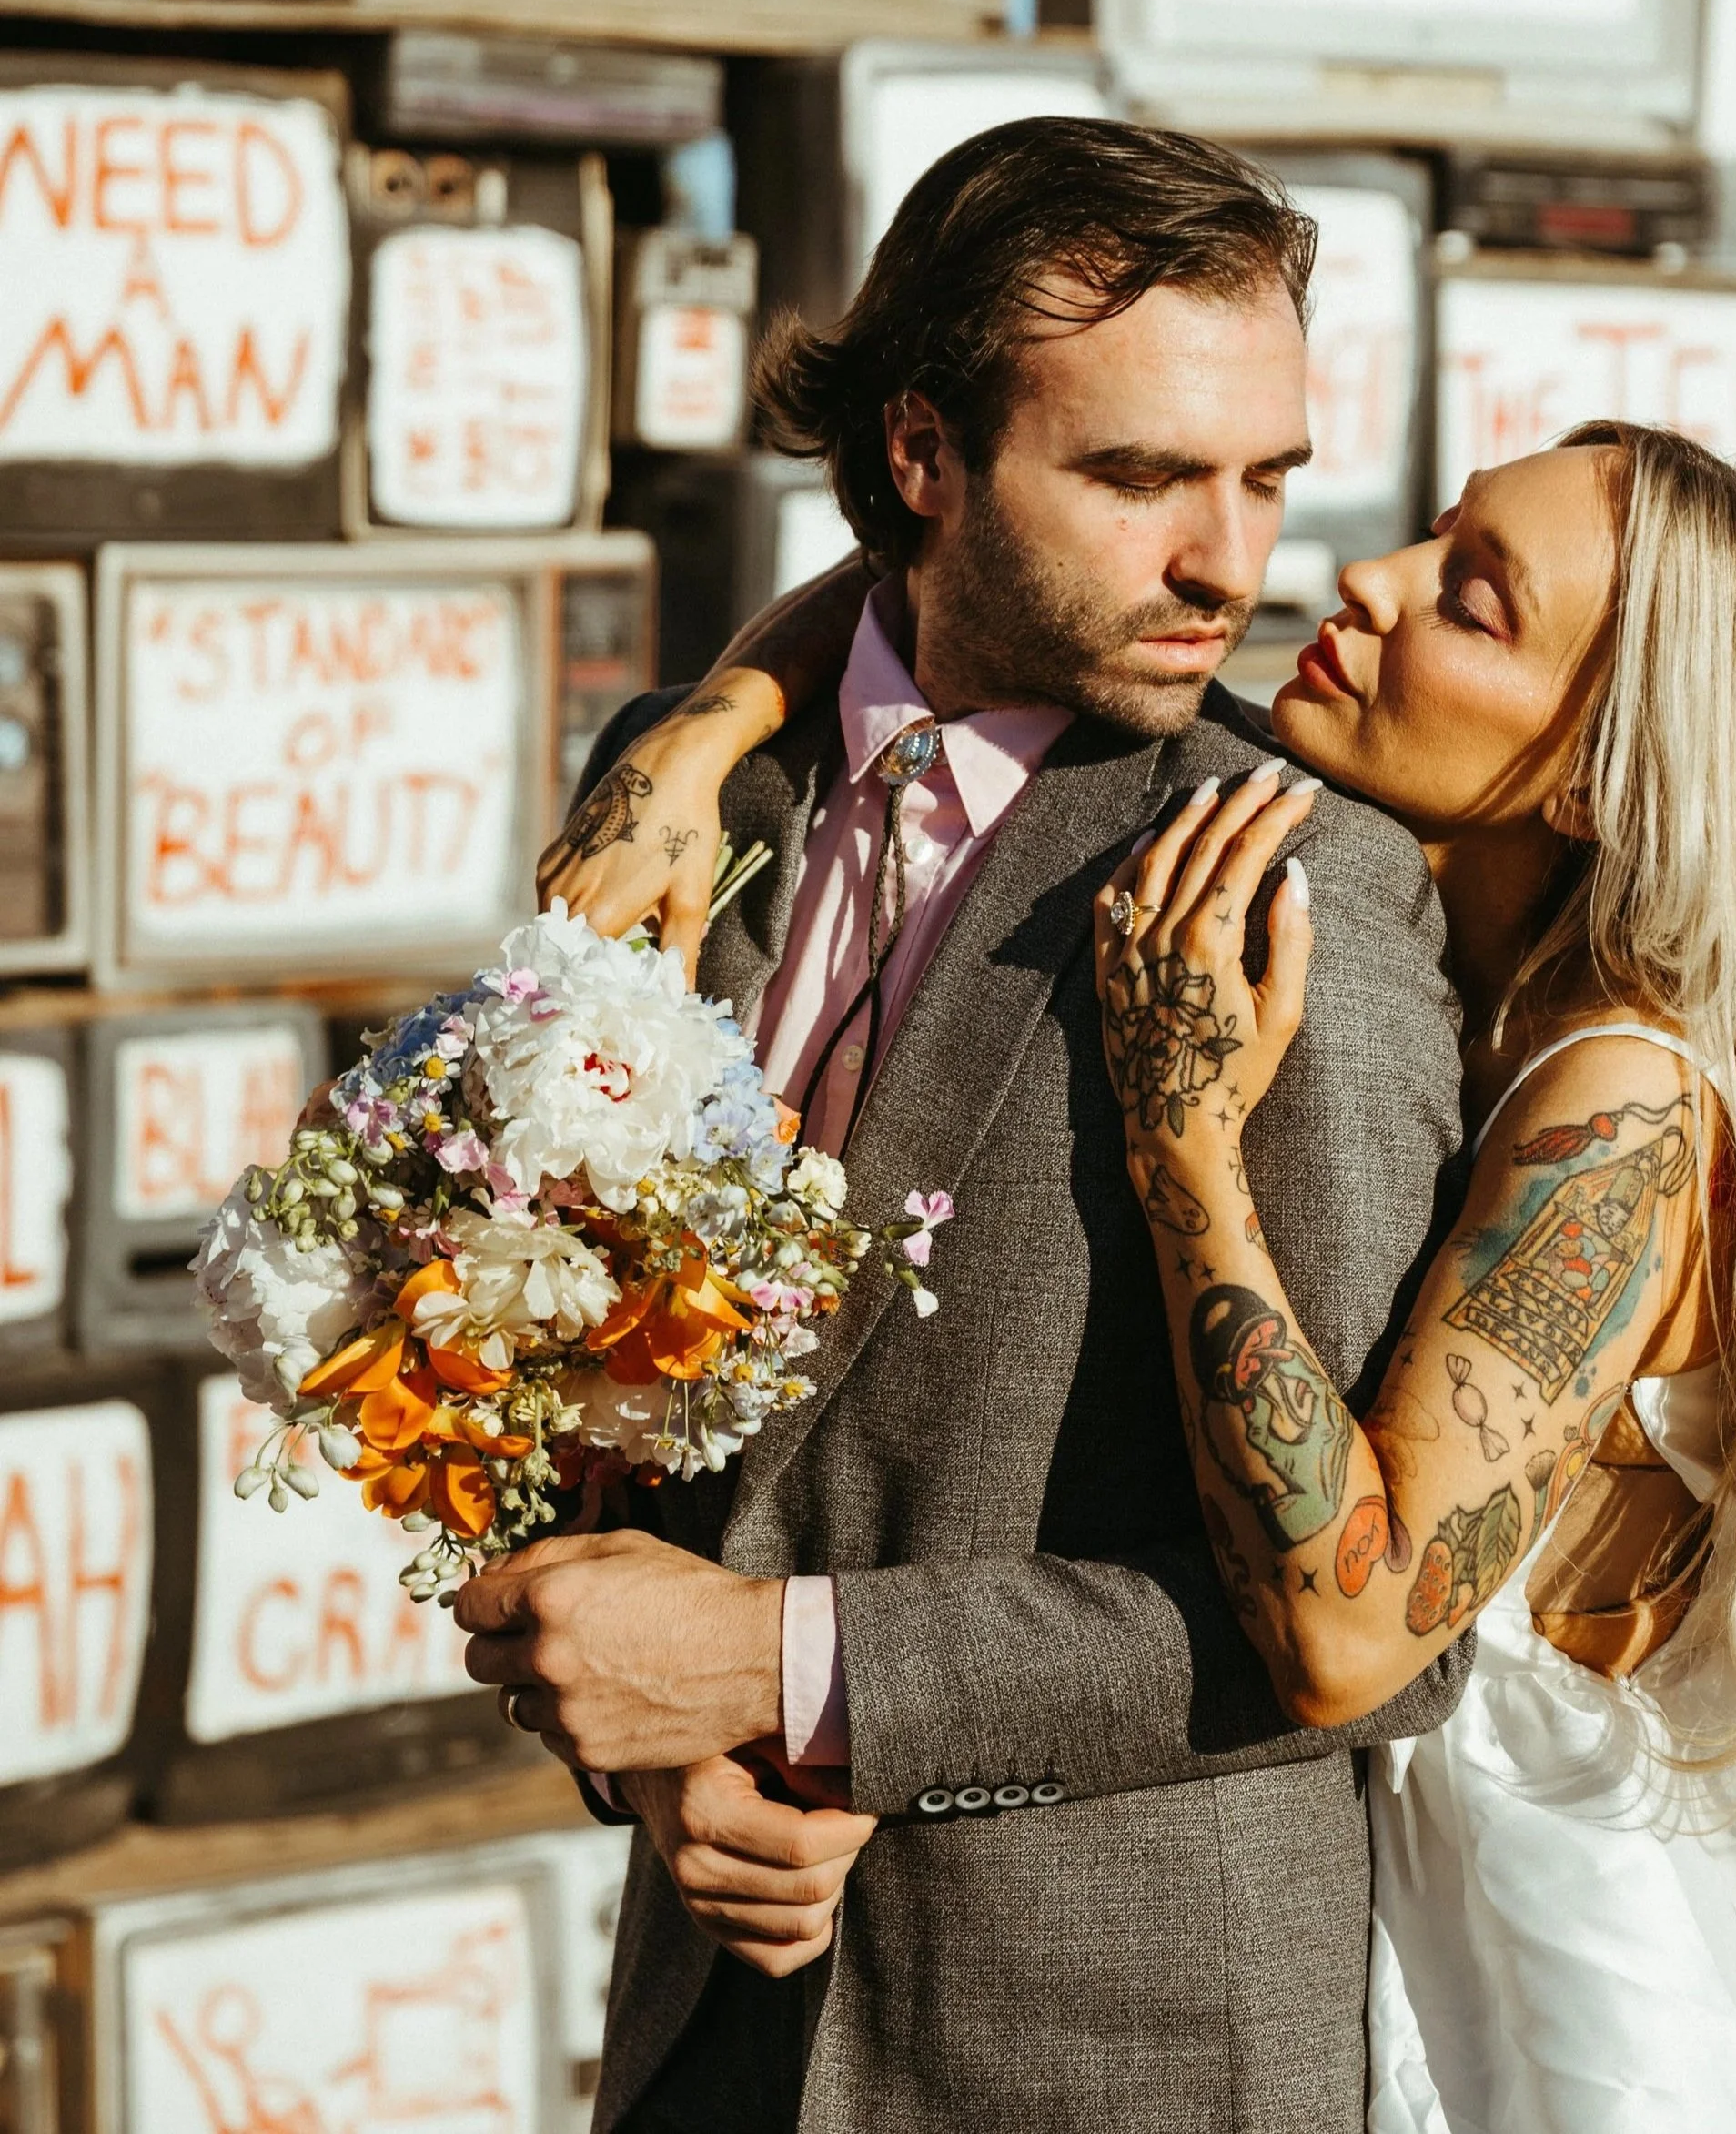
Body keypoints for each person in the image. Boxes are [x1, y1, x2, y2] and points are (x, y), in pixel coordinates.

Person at [621, 423, 1736, 2132]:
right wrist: (714, 725)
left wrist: (1185, 1138)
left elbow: (1349, 1628)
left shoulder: (1624, 1102)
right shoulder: (1496, 996)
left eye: (1473, 601)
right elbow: (919, 587)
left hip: (1601, 1966)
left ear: (1602, 772)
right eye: (1435, 533)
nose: (1369, 582)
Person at [460, 117, 1472, 2134]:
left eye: (1267, 476)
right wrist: (653, 1745)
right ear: (919, 452)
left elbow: (1391, 1629)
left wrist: (784, 1666)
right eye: (1140, 477)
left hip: (1124, 2054)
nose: (1230, 563)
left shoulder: (1296, 887)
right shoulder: (675, 791)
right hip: (707, 2030)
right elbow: (531, 1346)